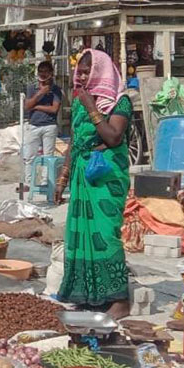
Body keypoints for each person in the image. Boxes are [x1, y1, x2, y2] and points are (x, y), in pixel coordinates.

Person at [55, 48, 133, 319]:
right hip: (82, 174)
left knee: (105, 234)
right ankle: (89, 295)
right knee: (80, 235)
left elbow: (112, 137)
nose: (83, 75)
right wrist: (63, 176)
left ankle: (119, 299)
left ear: (102, 70)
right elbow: (75, 140)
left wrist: (91, 107)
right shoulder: (79, 102)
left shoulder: (120, 102)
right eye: (81, 71)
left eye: (88, 70)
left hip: (106, 177)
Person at [22, 59, 63, 190]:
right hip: (33, 125)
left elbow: (54, 109)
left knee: (48, 157)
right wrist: (40, 93)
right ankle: (28, 183)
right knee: (29, 156)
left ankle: (44, 182)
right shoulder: (31, 88)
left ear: (51, 73)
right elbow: (27, 106)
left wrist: (37, 106)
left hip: (49, 125)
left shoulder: (56, 90)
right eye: (41, 72)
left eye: (46, 72)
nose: (43, 74)